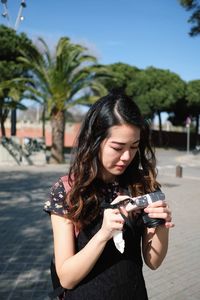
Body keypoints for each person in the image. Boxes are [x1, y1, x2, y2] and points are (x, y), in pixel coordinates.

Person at [44, 91, 174, 300]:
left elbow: (153, 262)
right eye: (117, 147)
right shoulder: (68, 189)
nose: (126, 157)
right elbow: (67, 278)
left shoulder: (141, 184)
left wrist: (161, 226)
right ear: (95, 141)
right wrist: (104, 233)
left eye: (134, 147)